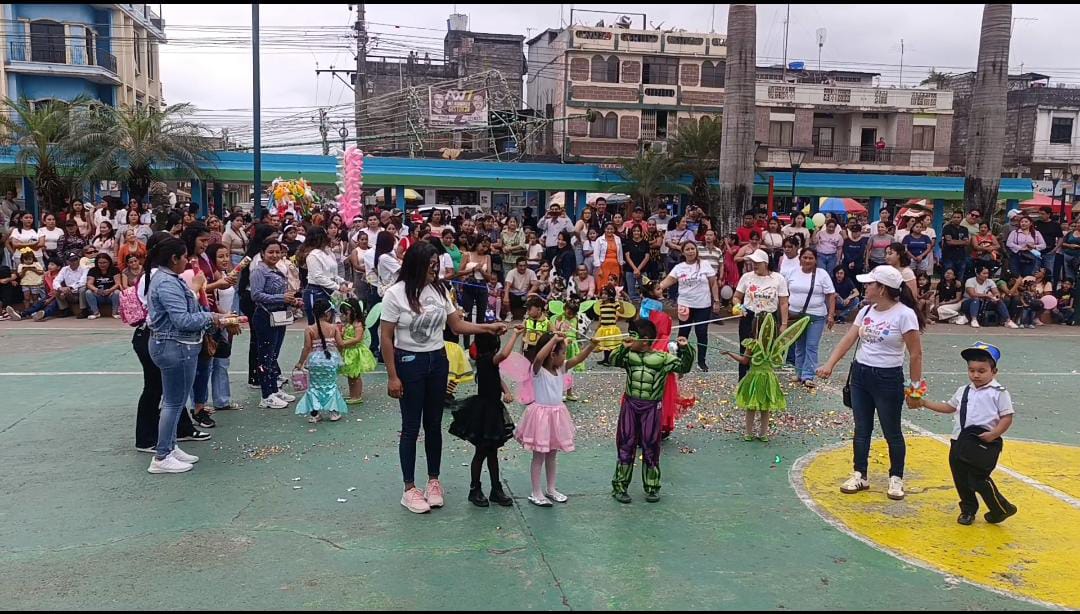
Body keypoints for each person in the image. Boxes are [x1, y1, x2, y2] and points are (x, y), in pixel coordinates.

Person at [381, 242, 507, 514]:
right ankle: (409, 488)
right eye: (430, 265)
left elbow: (456, 325)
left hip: (437, 361)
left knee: (434, 424)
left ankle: (433, 481)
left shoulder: (439, 290)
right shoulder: (395, 294)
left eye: (436, 265)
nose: (435, 269)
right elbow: (386, 337)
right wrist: (392, 376)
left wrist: (487, 328)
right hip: (409, 363)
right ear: (416, 264)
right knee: (411, 426)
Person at [816, 265, 925, 501]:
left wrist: (915, 390)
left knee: (892, 431)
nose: (865, 287)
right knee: (862, 428)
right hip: (861, 375)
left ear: (882, 289)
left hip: (888, 378)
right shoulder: (866, 311)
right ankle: (860, 474)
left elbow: (916, 354)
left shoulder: (904, 315)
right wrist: (829, 364)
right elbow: (848, 339)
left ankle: (896, 477)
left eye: (870, 284)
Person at [144, 237, 230, 474]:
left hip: (177, 345)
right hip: (174, 346)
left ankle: (170, 447)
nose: (187, 261)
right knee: (173, 402)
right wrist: (212, 317)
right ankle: (162, 455)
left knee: (176, 401)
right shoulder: (166, 282)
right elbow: (182, 319)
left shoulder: (169, 279)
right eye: (184, 257)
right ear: (174, 259)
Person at [915, 343, 1017, 526]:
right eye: (972, 370)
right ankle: (968, 510)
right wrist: (924, 402)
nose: (976, 375)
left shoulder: (998, 393)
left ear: (994, 371)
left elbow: (1006, 417)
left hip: (984, 442)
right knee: (960, 478)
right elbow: (949, 407)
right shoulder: (964, 390)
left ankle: (1000, 508)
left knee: (979, 478)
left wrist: (994, 434)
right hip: (960, 441)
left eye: (981, 371)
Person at [610, 319, 694, 503]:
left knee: (651, 447)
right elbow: (612, 360)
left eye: (633, 336)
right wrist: (623, 347)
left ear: (645, 340)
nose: (629, 339)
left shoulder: (662, 359)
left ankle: (652, 487)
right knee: (625, 445)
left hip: (651, 407)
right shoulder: (628, 357)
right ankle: (620, 487)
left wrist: (685, 349)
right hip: (630, 405)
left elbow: (684, 367)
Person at [513, 330, 595, 507]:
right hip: (541, 417)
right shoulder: (538, 370)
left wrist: (591, 346)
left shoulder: (560, 368)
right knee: (539, 456)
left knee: (552, 455)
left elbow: (578, 359)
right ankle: (536, 492)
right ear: (552, 354)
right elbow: (538, 358)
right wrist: (554, 340)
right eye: (563, 352)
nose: (565, 356)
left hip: (556, 416)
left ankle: (551, 489)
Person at [448, 332, 517, 508]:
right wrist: (516, 334)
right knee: (481, 452)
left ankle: (495, 489)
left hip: (492, 410)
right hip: (486, 413)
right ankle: (475, 489)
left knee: (492, 452)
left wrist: (506, 391)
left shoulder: (486, 361)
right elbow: (504, 354)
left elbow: (497, 377)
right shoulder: (486, 359)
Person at [723, 313, 810, 441]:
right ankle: (763, 434)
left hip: (754, 379)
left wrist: (729, 353)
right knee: (765, 408)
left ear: (755, 328)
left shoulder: (753, 344)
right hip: (769, 379)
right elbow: (777, 362)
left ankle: (749, 433)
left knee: (751, 407)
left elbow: (744, 361)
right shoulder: (775, 346)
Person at [251, 240, 302, 408]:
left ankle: (274, 389)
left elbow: (282, 294)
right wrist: (281, 298)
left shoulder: (277, 269)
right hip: (265, 317)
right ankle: (266, 395)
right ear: (262, 253)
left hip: (279, 316)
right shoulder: (259, 271)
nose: (274, 255)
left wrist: (293, 301)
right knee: (265, 357)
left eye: (277, 252)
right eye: (270, 252)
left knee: (273, 355)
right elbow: (256, 295)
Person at [657, 241, 720, 372]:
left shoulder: (705, 265)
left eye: (692, 249)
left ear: (696, 250)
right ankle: (679, 359)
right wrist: (655, 289)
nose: (691, 251)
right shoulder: (679, 267)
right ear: (683, 252)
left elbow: (713, 283)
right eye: (687, 249)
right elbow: (667, 281)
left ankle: (701, 361)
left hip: (703, 304)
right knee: (684, 332)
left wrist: (716, 300)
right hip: (685, 305)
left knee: (701, 332)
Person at [732, 250, 790, 380]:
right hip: (749, 317)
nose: (754, 265)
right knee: (745, 349)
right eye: (753, 262)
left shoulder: (778, 278)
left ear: (766, 263)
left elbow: (783, 303)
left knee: (766, 351)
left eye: (757, 262)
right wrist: (738, 306)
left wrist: (784, 324)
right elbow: (736, 297)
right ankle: (743, 379)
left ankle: (764, 379)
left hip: (768, 318)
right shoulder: (746, 277)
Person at [784, 248, 837, 388]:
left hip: (816, 315)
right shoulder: (792, 272)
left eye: (810, 258)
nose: (807, 261)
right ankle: (799, 372)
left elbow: (831, 294)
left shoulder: (822, 274)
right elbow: (785, 293)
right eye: (805, 257)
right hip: (795, 316)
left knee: (811, 346)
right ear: (800, 258)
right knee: (799, 345)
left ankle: (808, 375)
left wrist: (831, 314)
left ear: (815, 260)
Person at [292, 299, 348, 423]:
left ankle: (315, 414)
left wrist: (300, 362)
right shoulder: (333, 328)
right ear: (328, 313)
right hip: (330, 360)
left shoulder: (309, 329)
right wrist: (340, 355)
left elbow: (307, 347)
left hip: (315, 361)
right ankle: (333, 412)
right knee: (331, 386)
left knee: (314, 387)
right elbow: (340, 344)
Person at [337, 298, 376, 404]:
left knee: (355, 375)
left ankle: (357, 396)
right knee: (351, 375)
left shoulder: (357, 324)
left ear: (353, 311)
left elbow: (358, 338)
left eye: (346, 313)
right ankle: (353, 394)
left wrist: (343, 342)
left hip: (355, 352)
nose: (344, 316)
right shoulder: (348, 324)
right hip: (349, 351)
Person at [85, 253, 121, 320]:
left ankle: (115, 312)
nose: (102, 264)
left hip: (111, 295)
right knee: (88, 292)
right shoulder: (92, 270)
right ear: (97, 263)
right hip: (98, 295)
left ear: (109, 262)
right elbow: (89, 284)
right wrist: (96, 290)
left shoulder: (115, 270)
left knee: (117, 292)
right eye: (100, 263)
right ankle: (95, 313)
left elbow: (118, 283)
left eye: (104, 262)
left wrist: (110, 290)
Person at [55, 251, 88, 317]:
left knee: (83, 289)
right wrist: (60, 288)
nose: (74, 262)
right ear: (67, 262)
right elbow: (56, 280)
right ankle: (65, 310)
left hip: (79, 292)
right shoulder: (64, 269)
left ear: (78, 260)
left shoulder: (85, 268)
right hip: (69, 293)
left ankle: (84, 310)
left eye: (75, 260)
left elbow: (83, 281)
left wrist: (70, 288)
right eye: (71, 260)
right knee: (56, 290)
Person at [622, 225, 650, 302]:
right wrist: (635, 269)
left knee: (645, 291)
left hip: (643, 270)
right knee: (631, 293)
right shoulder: (628, 243)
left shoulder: (645, 243)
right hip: (630, 270)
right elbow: (627, 257)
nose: (636, 233)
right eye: (634, 231)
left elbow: (647, 257)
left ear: (641, 232)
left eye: (638, 231)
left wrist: (638, 269)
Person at [940, 211, 971, 280]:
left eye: (958, 217)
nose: (956, 219)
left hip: (961, 257)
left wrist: (954, 241)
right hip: (948, 257)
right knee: (947, 277)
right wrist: (962, 242)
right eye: (954, 217)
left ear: (962, 219)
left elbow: (967, 243)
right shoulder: (947, 228)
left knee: (960, 277)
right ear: (952, 218)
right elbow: (949, 242)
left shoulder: (964, 229)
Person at [594, 222, 624, 290]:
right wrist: (599, 269)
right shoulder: (599, 240)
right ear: (604, 229)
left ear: (614, 230)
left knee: (614, 283)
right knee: (603, 284)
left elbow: (620, 254)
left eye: (611, 229)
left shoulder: (618, 239)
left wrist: (621, 267)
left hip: (615, 265)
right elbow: (596, 255)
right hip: (604, 265)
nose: (609, 231)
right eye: (608, 229)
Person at [1061, 219, 1080, 283]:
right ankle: (1071, 287)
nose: (1079, 224)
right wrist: (1069, 245)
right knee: (1069, 274)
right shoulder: (1070, 233)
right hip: (1068, 256)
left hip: (1078, 257)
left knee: (1077, 274)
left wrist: (1077, 246)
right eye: (1078, 223)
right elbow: (1063, 243)